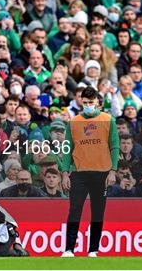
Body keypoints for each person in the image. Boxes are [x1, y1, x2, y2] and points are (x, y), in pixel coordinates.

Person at [60, 86, 119, 257]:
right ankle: (69, 249)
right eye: (85, 102)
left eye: (91, 102)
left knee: (98, 211)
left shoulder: (109, 120)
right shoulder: (74, 122)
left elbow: (114, 146)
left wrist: (113, 171)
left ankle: (93, 250)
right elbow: (68, 149)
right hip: (79, 172)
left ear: (98, 103)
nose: (88, 105)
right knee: (74, 209)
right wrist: (65, 173)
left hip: (102, 172)